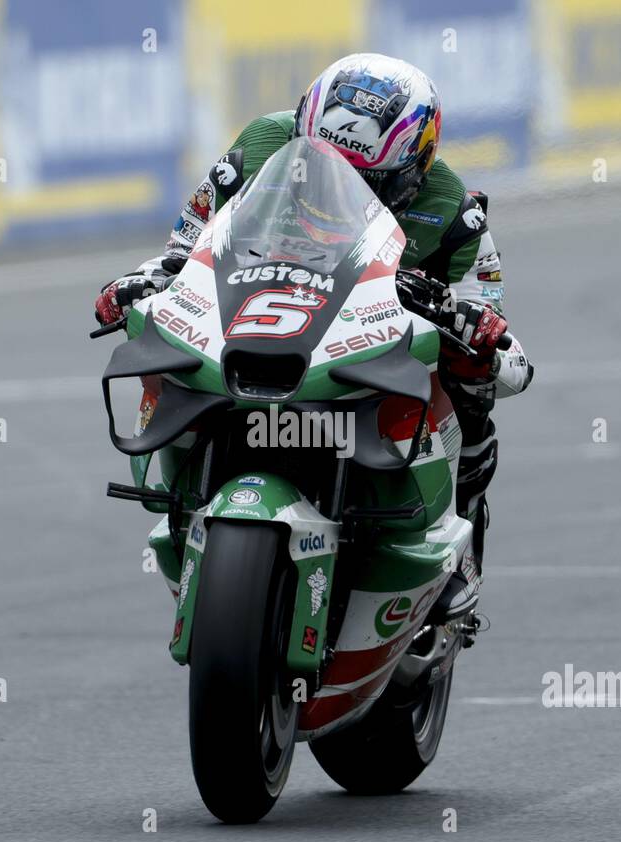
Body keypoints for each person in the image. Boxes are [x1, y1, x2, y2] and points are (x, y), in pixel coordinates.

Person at [94, 53, 533, 586]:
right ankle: (183, 498)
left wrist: (472, 330)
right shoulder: (258, 146)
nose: (336, 189)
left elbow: (511, 361)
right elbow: (185, 253)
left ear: (416, 169)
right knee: (159, 326)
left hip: (373, 348)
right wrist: (139, 282)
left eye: (368, 179)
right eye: (320, 164)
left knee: (473, 389)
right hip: (262, 314)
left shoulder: (455, 215)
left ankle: (456, 562)